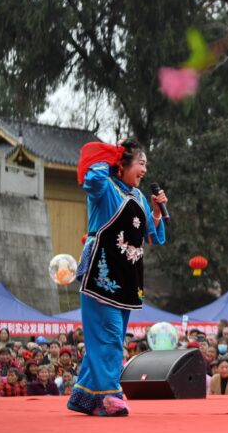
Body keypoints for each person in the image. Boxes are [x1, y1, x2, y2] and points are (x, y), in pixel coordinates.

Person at [67, 139, 167, 417]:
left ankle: (85, 396)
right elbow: (91, 178)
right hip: (102, 271)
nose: (145, 170)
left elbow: (153, 236)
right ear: (122, 165)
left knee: (112, 336)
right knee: (109, 336)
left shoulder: (137, 197)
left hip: (127, 276)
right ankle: (110, 396)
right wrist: (109, 157)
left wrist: (157, 211)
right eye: (141, 163)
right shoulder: (105, 188)